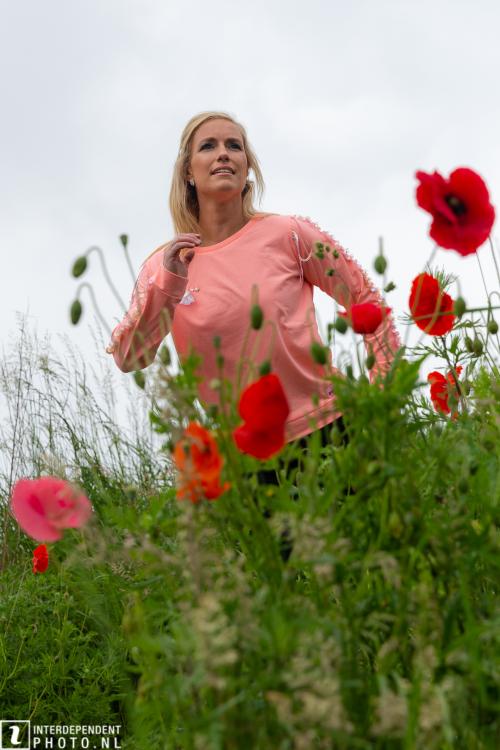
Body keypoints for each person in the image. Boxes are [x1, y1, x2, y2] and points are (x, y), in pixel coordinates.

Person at [106, 111, 401, 483]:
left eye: (234, 146)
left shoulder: (289, 234)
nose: (223, 154)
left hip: (334, 431)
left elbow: (365, 299)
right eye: (208, 146)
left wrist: (380, 394)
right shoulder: (162, 267)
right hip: (246, 461)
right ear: (187, 172)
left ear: (247, 167)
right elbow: (130, 357)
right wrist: (169, 285)